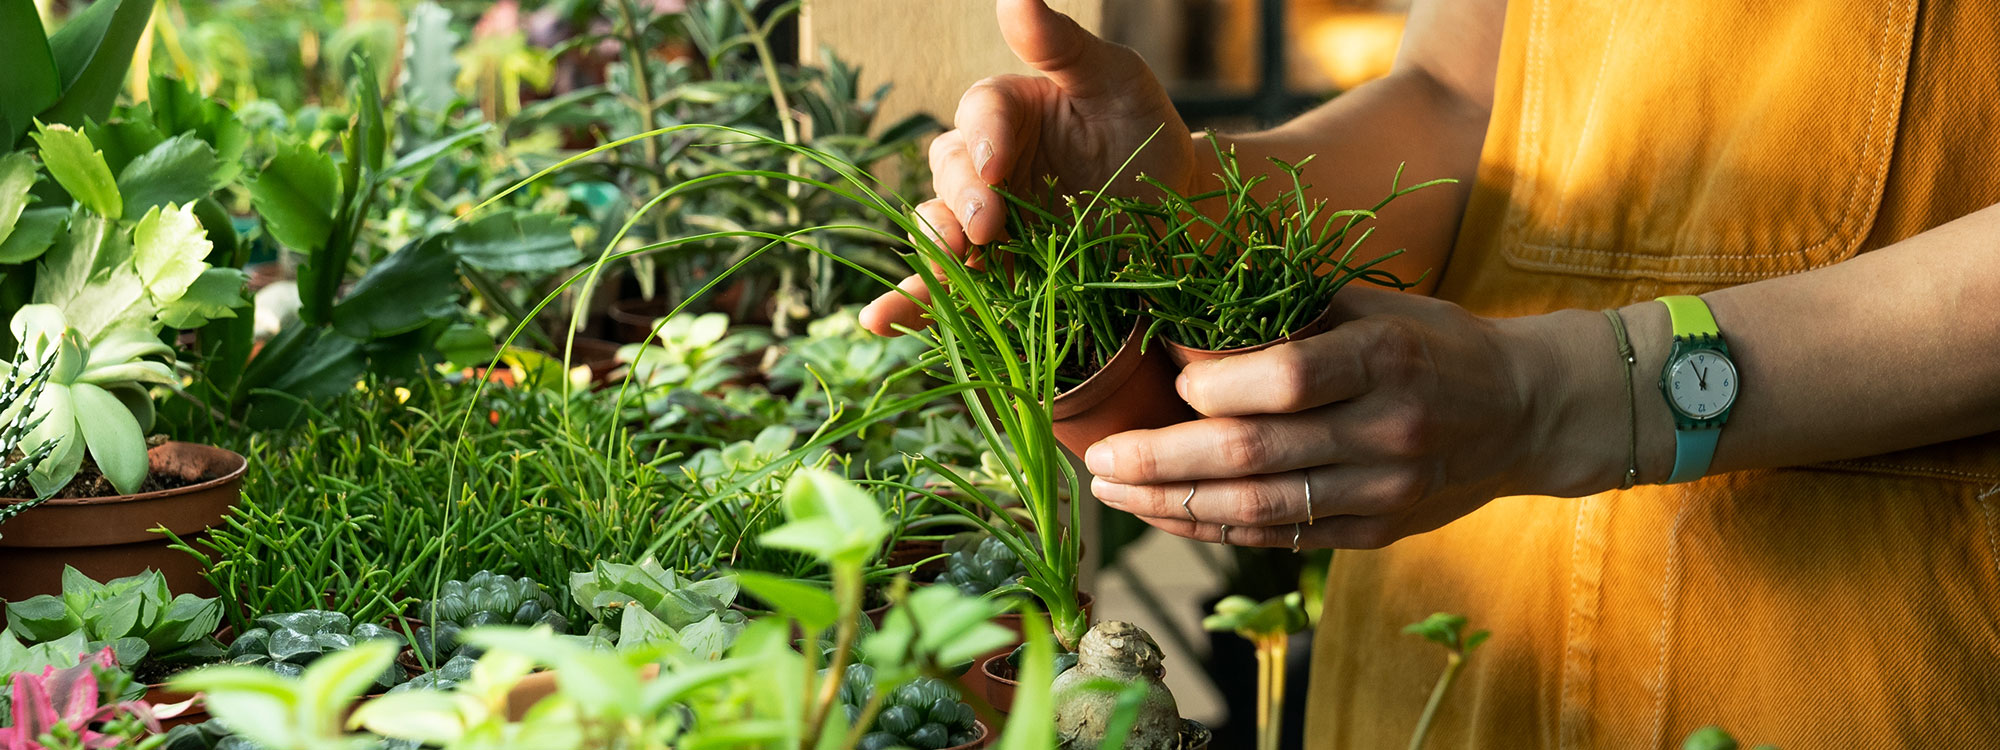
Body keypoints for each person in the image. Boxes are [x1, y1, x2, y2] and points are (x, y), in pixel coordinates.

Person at [860, 0, 2000, 747]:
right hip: (1457, 612)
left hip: (1849, 641)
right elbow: (1460, 96)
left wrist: (1567, 393)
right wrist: (1192, 203)